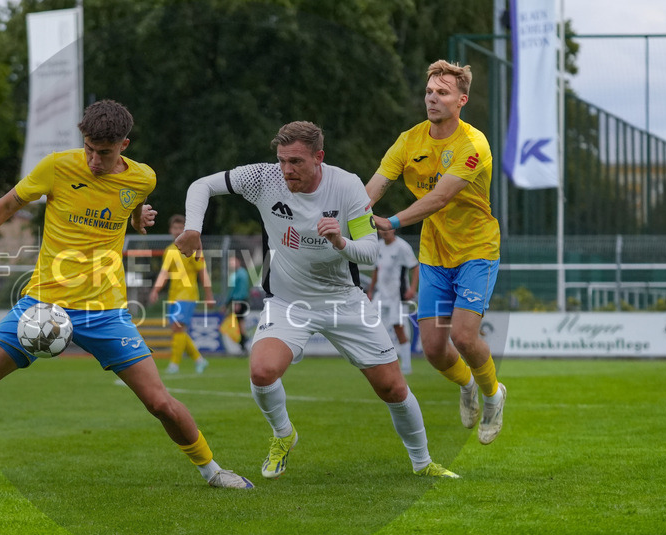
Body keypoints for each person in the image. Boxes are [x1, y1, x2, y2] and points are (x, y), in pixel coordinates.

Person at [0, 100, 253, 489]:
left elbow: (133, 200)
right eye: (87, 148)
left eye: (103, 153)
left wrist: (138, 217)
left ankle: (213, 472)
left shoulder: (143, 178)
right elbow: (7, 206)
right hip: (41, 304)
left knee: (159, 403)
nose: (92, 160)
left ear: (124, 144)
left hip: (105, 311)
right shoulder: (56, 167)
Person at [176, 121, 458, 480]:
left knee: (392, 387)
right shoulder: (264, 178)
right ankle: (283, 435)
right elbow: (203, 185)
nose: (287, 170)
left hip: (344, 300)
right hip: (288, 301)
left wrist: (341, 242)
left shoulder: (347, 186)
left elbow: (369, 253)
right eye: (282, 160)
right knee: (262, 371)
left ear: (318, 158)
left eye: (296, 161)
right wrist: (193, 228)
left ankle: (422, 463)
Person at [366, 60, 506, 445]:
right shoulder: (409, 140)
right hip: (433, 253)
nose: (432, 98)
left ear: (461, 100)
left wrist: (391, 223)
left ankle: (493, 395)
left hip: (477, 248)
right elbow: (374, 188)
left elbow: (440, 197)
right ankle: (468, 385)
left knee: (463, 337)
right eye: (429, 91)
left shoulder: (473, 144)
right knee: (432, 349)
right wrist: (349, 216)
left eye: (442, 92)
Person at [148, 214, 214, 374]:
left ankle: (174, 364)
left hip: (187, 294)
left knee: (177, 328)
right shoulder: (169, 250)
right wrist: (156, 290)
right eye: (175, 228)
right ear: (171, 230)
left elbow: (202, 272)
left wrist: (209, 295)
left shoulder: (192, 247)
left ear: (185, 230)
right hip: (173, 295)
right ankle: (199, 359)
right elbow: (164, 273)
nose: (177, 231)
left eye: (180, 228)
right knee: (178, 330)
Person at [366, 227, 419, 375]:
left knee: (398, 328)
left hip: (397, 295)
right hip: (381, 295)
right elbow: (377, 269)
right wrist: (371, 289)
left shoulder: (402, 247)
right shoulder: (379, 246)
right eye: (382, 229)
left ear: (394, 230)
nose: (384, 232)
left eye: (387, 229)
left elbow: (415, 267)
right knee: (372, 324)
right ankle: (377, 361)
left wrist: (412, 289)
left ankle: (407, 366)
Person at [220, 255, 251, 353]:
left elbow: (236, 290)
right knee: (240, 322)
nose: (231, 265)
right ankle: (243, 342)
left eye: (233, 262)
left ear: (238, 262)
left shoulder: (239, 274)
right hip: (241, 300)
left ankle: (243, 341)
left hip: (239, 301)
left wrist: (235, 303)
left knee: (239, 322)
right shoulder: (241, 273)